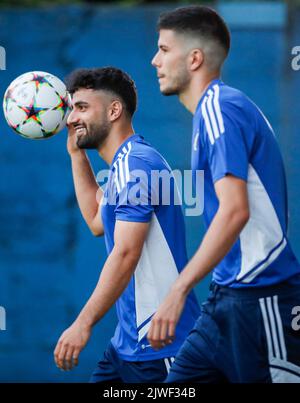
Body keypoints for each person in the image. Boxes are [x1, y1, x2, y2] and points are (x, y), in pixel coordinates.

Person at [148, 5, 300, 383]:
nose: (155, 60)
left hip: (263, 300)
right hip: (224, 300)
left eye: (165, 49)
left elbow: (235, 211)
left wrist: (178, 289)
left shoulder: (220, 107)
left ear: (194, 58)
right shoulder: (214, 111)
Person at [53, 67, 200, 383]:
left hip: (160, 345)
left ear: (114, 110)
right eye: (71, 109)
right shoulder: (124, 163)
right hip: (127, 347)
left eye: (81, 108)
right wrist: (76, 155)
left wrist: (83, 323)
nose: (70, 119)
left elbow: (125, 253)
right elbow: (96, 221)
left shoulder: (136, 165)